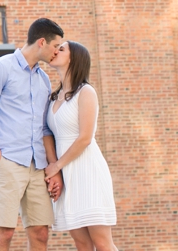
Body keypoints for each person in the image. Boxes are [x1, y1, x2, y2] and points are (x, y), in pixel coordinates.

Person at [0, 18, 66, 251]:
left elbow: (44, 128)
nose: (57, 52)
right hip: (8, 161)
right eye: (56, 46)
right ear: (42, 42)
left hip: (37, 165)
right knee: (4, 234)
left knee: (41, 232)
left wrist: (53, 167)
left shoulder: (43, 79)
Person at [44, 41, 118, 251]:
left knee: (102, 243)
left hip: (88, 171)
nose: (55, 50)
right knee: (82, 243)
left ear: (74, 58)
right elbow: (47, 133)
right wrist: (55, 168)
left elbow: (85, 138)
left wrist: (56, 166)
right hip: (67, 175)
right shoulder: (52, 97)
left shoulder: (86, 92)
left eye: (62, 48)